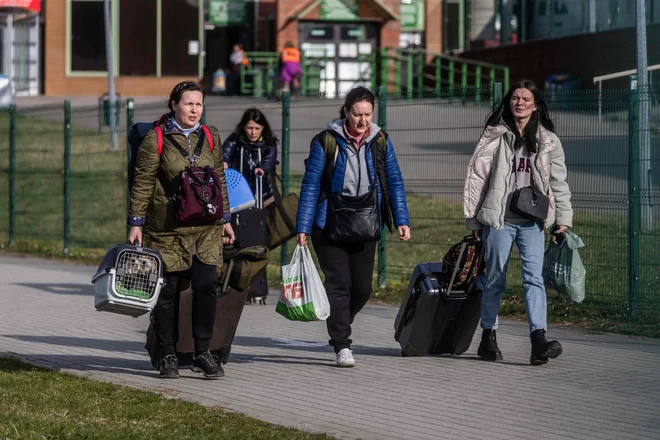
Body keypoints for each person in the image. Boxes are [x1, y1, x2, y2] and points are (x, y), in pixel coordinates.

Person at [296, 86, 411, 368]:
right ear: (346, 112)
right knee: (339, 285)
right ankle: (342, 344)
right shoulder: (326, 141)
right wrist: (303, 226)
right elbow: (310, 185)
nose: (362, 121)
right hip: (329, 223)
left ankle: (340, 319)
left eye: (368, 114)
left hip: (365, 221)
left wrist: (402, 220)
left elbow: (394, 182)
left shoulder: (380, 141)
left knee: (362, 289)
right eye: (357, 114)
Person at [128, 81, 235, 379]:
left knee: (206, 288)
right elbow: (143, 183)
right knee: (168, 293)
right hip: (167, 230)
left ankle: (203, 353)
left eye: (199, 104)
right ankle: (168, 355)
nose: (194, 109)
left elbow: (219, 180)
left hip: (206, 229)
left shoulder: (211, 136)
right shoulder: (156, 139)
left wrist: (225, 218)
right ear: (174, 104)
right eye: (189, 103)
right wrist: (136, 223)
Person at [463, 79, 573, 366]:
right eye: (515, 99)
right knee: (495, 279)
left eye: (525, 99)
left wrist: (563, 219)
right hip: (499, 220)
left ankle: (539, 339)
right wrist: (473, 220)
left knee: (533, 279)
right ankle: (488, 337)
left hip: (532, 221)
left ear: (535, 105)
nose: (519, 103)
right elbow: (477, 179)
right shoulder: (495, 135)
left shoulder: (548, 140)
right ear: (509, 103)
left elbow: (558, 183)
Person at [222, 108, 278, 204]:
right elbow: (226, 152)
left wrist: (262, 169)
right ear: (243, 127)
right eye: (250, 128)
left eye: (257, 128)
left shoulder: (269, 143)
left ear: (263, 127)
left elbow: (269, 160)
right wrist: (224, 162)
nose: (253, 132)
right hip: (238, 194)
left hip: (264, 194)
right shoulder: (234, 140)